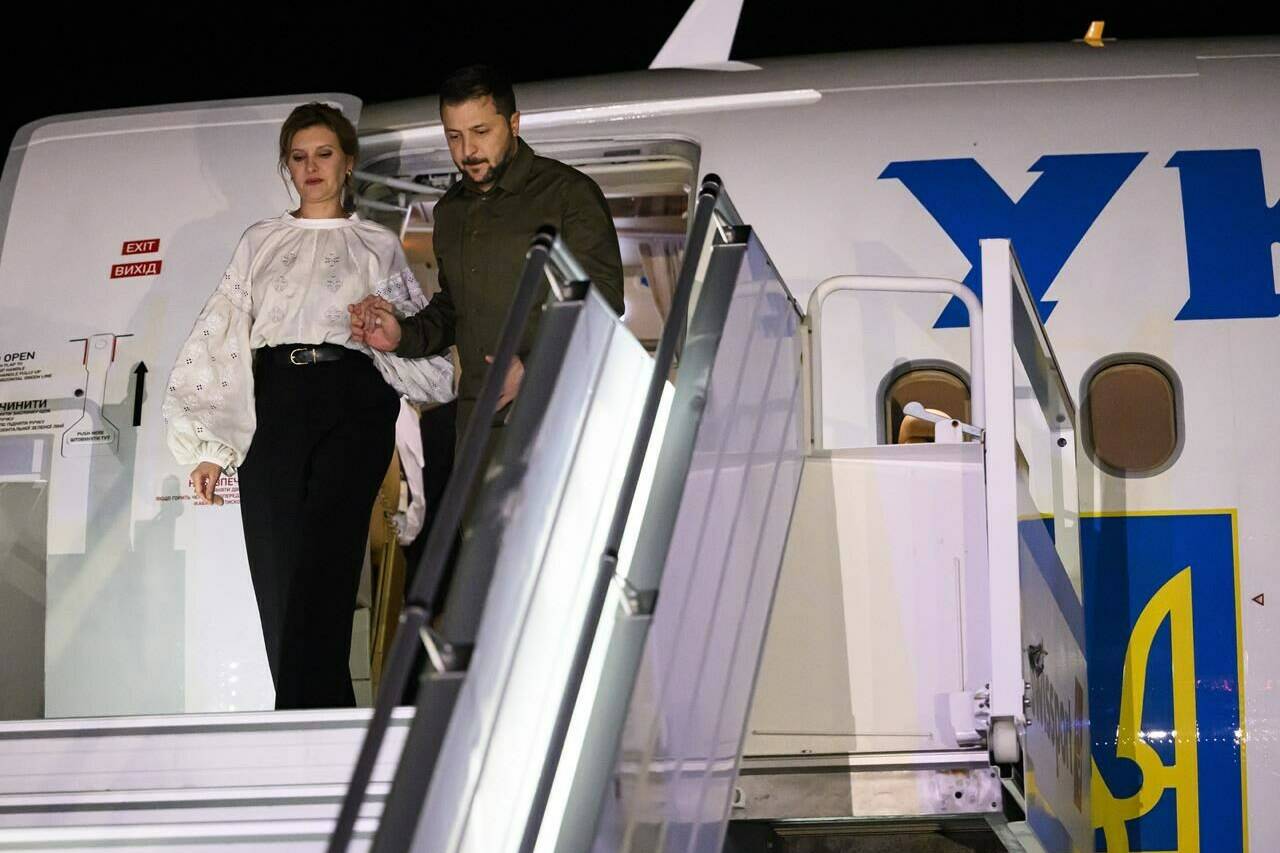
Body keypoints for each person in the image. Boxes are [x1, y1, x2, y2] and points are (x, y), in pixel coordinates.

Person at [162, 103, 452, 709]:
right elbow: (223, 332)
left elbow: (416, 341)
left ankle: (304, 734)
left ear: (347, 162)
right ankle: (323, 729)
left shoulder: (377, 244)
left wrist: (384, 329)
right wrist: (208, 445)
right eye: (299, 156)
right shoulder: (260, 241)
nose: (311, 167)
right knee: (278, 578)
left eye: (324, 154)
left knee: (326, 565)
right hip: (277, 403)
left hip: (354, 400)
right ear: (287, 166)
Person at [349, 64, 624, 438]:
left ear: (513, 124)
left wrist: (532, 365)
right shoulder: (449, 211)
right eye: (454, 137)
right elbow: (453, 309)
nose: (467, 151)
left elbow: (603, 303)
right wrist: (401, 335)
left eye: (481, 132)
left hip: (558, 413)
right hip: (478, 420)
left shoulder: (569, 194)